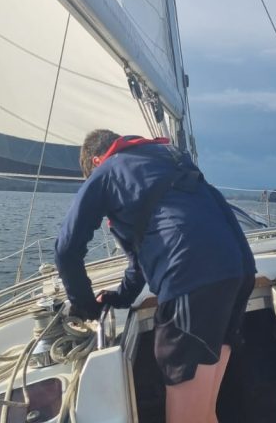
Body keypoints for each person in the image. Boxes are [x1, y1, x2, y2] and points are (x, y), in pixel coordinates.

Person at [54, 129, 256, 423]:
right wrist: (120, 297)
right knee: (204, 411)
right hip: (238, 273)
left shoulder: (108, 170)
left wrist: (85, 307)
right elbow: (140, 262)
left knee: (186, 418)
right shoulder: (166, 159)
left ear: (96, 161)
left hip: (191, 278)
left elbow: (66, 250)